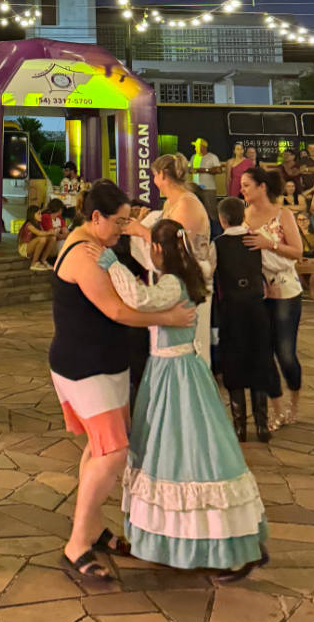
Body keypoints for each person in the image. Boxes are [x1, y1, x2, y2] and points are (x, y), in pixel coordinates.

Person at [102, 218, 269, 580]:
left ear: (158, 250)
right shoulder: (189, 275)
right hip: (179, 370)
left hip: (173, 376)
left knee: (187, 453)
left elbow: (139, 298)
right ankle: (188, 539)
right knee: (185, 452)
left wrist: (111, 264)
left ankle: (228, 547)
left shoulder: (171, 283)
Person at [49, 180, 195, 580]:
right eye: (120, 222)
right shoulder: (84, 254)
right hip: (85, 365)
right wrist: (167, 318)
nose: (124, 229)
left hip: (104, 361)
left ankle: (93, 528)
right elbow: (116, 310)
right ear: (96, 217)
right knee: (113, 452)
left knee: (101, 448)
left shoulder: (98, 246)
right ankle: (77, 543)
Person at [126, 153, 214, 366]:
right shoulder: (171, 203)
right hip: (172, 280)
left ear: (163, 175)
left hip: (189, 280)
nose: (154, 181)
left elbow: (174, 246)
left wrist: (140, 230)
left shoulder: (186, 204)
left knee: (190, 342)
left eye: (155, 176)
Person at [241, 167, 304, 430]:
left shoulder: (283, 214)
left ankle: (294, 400)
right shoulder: (243, 215)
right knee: (263, 352)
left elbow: (298, 252)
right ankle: (275, 408)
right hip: (257, 291)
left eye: (246, 185)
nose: (242, 189)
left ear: (262, 187)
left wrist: (270, 244)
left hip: (285, 291)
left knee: (285, 353)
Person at [214, 198, 275, 443]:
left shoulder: (217, 244)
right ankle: (262, 426)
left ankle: (240, 428)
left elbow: (207, 272)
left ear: (222, 219)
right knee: (259, 361)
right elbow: (271, 266)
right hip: (256, 308)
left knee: (233, 363)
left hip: (231, 310)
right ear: (243, 217)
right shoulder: (257, 240)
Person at [188, 138, 222, 218]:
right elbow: (189, 169)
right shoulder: (193, 157)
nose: (195, 148)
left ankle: (214, 226)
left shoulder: (212, 157)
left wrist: (205, 170)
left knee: (211, 212)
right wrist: (191, 170)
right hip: (195, 188)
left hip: (208, 188)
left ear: (203, 147)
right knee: (196, 211)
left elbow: (219, 170)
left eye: (196, 146)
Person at [18, 205, 57, 271]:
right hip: (25, 248)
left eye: (41, 213)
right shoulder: (29, 225)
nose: (41, 216)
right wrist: (50, 232)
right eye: (39, 214)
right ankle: (34, 263)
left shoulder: (39, 224)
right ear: (32, 215)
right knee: (42, 239)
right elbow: (39, 233)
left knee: (53, 238)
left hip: (33, 245)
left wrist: (52, 232)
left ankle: (43, 260)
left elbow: (43, 233)